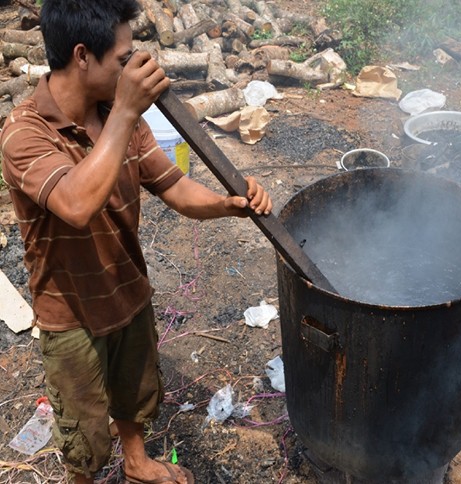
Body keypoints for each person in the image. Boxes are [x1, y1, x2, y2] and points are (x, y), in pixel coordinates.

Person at [0, 0, 272, 482]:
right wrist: (126, 110)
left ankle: (137, 461)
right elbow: (77, 204)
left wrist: (225, 204)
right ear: (82, 56)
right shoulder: (25, 133)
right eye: (123, 58)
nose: (133, 67)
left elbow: (173, 187)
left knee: (135, 394)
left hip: (128, 287)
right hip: (71, 312)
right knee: (83, 435)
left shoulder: (119, 116)